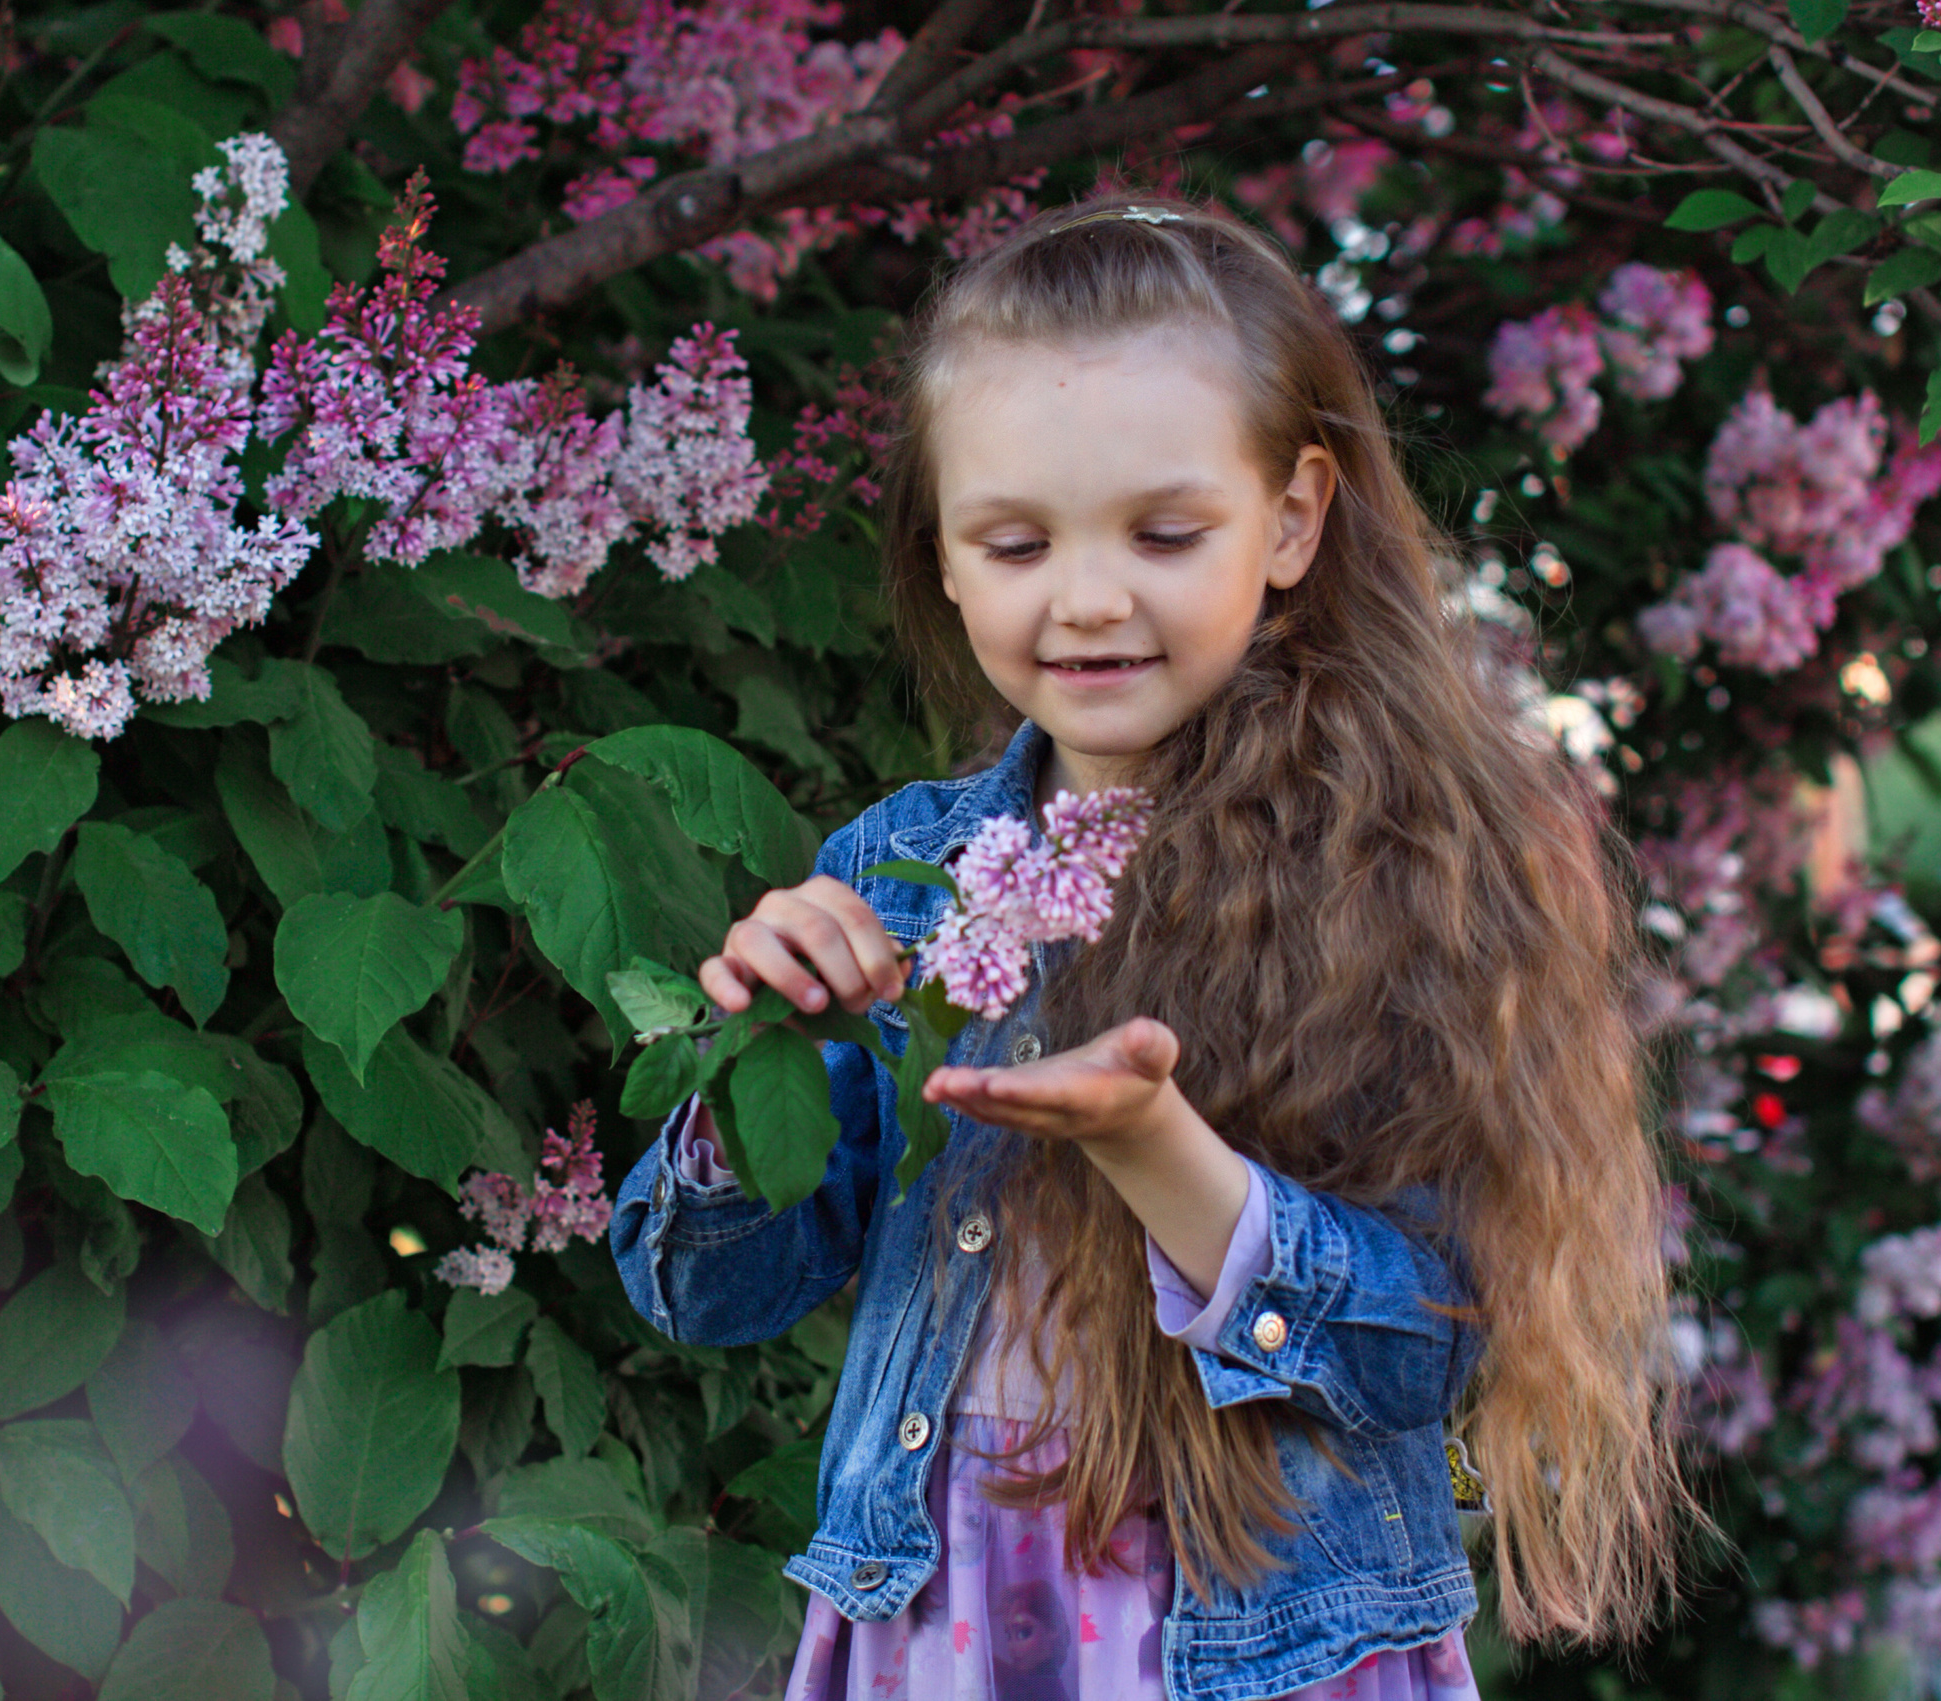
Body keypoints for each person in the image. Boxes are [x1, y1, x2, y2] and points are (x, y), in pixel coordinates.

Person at [609, 195, 1693, 1700]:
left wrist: (1157, 1148)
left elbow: (1420, 1353)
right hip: (940, 1628)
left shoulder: (1402, 876)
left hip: (1254, 1648)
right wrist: (756, 1064)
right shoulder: (901, 877)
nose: (1091, 596)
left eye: (1166, 531)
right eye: (1015, 539)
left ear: (1295, 518)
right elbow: (708, 1294)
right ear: (943, 556)